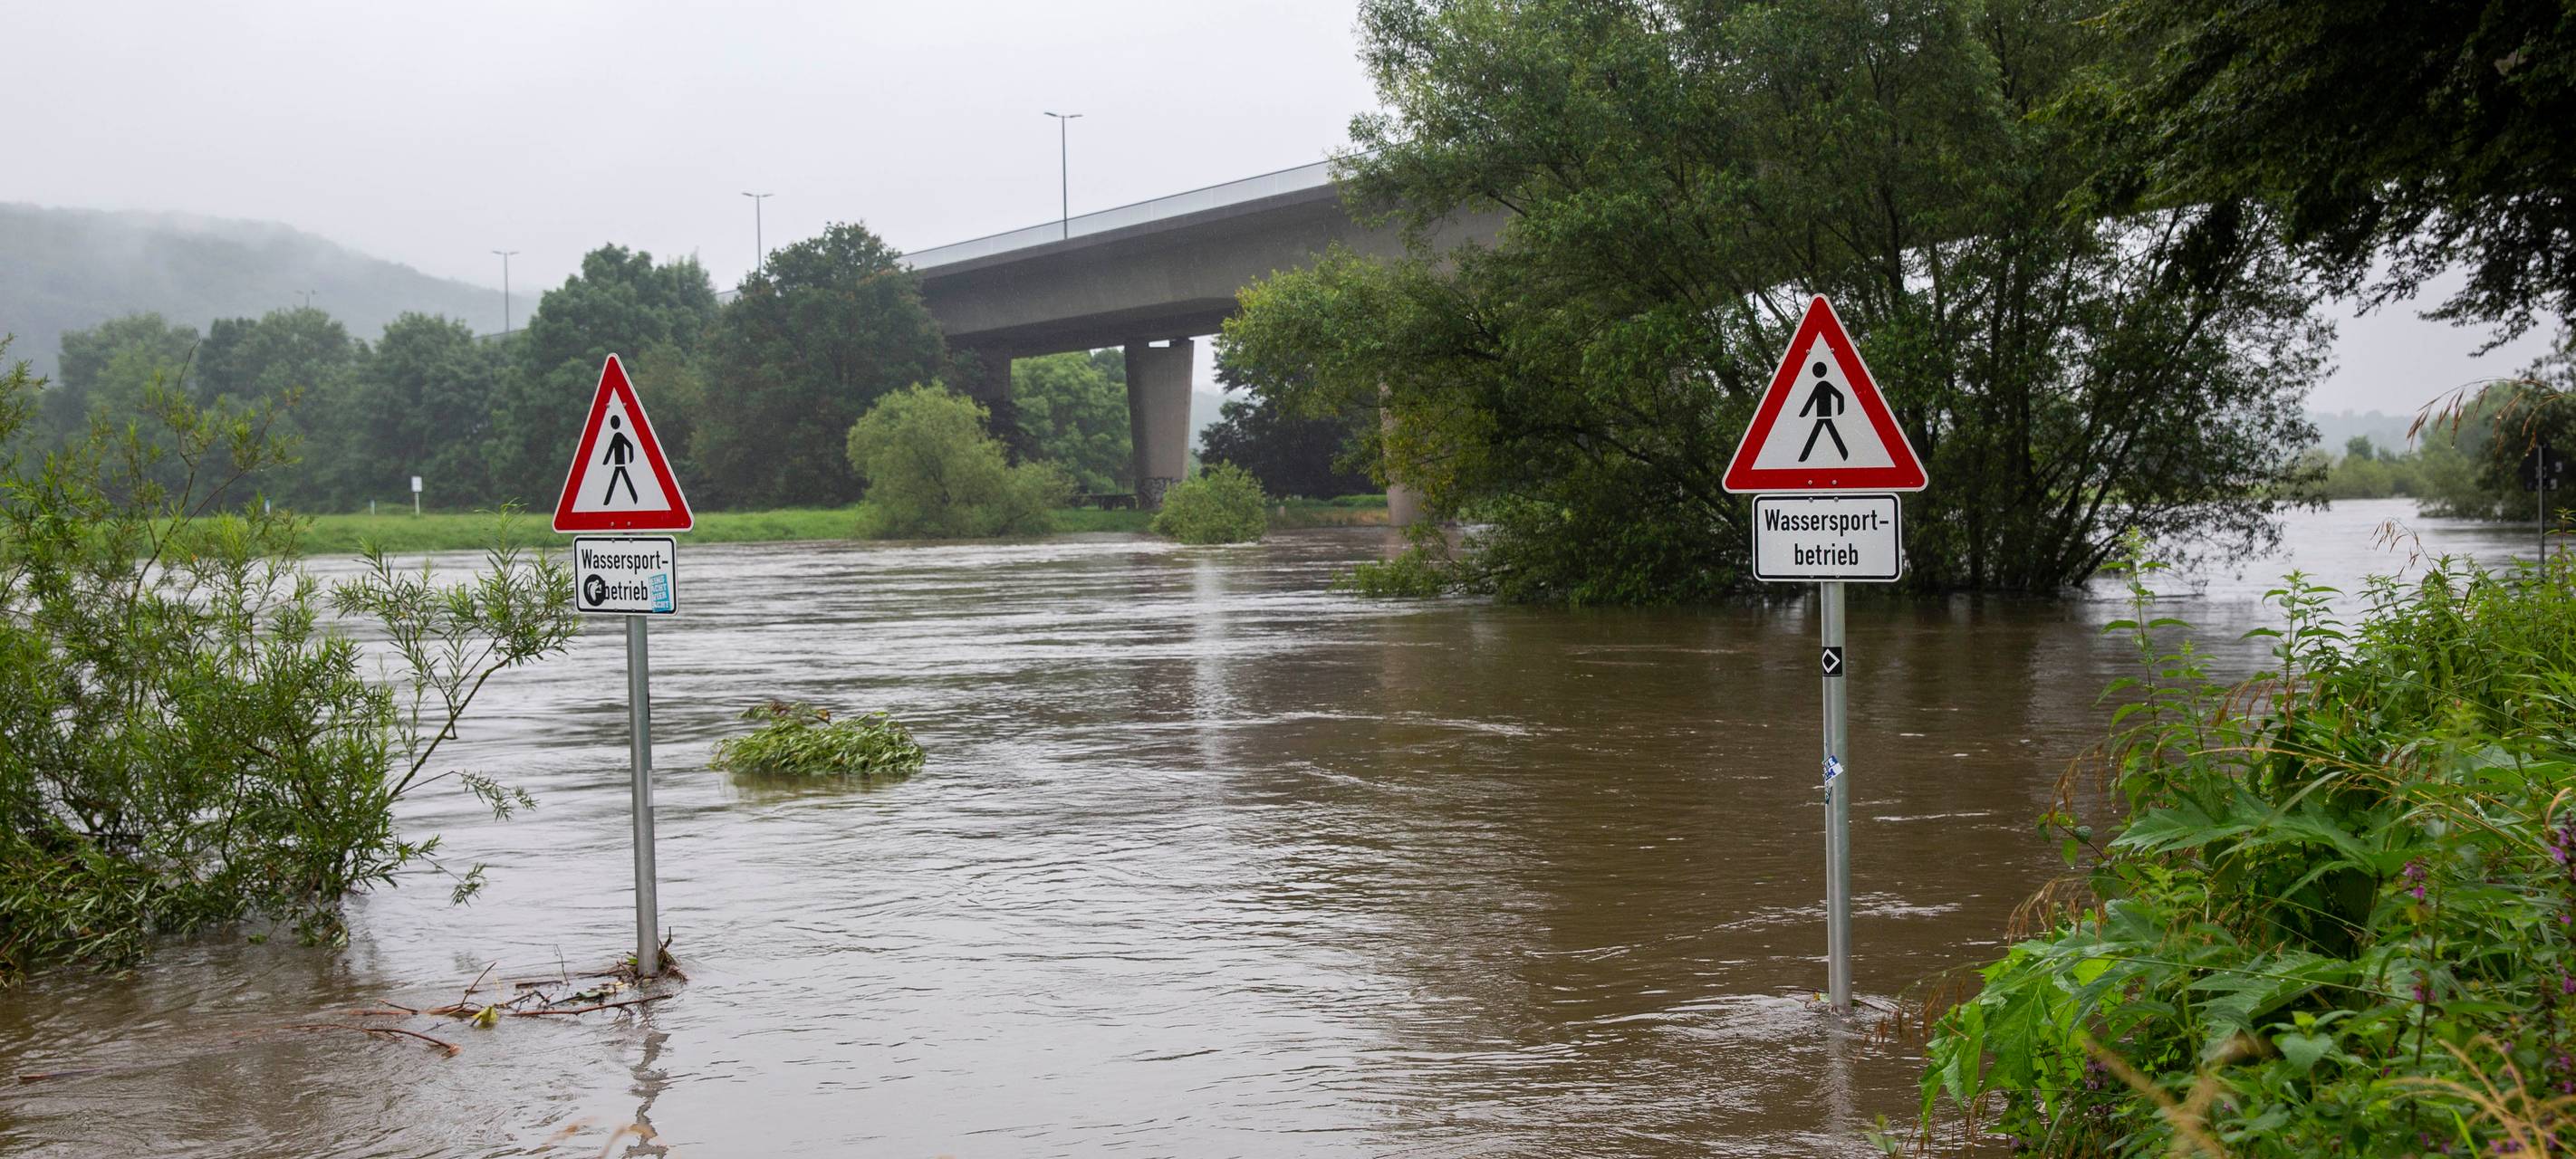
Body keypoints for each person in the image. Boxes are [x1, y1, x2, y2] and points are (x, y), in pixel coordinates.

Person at [1797, 360, 1848, 463]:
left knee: (1817, 435)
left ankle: (1803, 458)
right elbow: (1840, 396)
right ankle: (1845, 454)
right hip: (1824, 416)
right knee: (1827, 434)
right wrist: (1839, 410)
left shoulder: (1821, 385)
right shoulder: (1824, 385)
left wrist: (1804, 413)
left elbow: (1811, 400)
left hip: (1823, 416)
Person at [601, 415, 639, 503]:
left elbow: (611, 449)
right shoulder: (618, 436)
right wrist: (605, 462)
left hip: (620, 463)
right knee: (619, 480)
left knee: (617, 481)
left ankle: (607, 502)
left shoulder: (618, 436)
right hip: (619, 463)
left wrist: (631, 458)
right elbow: (612, 449)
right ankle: (634, 498)